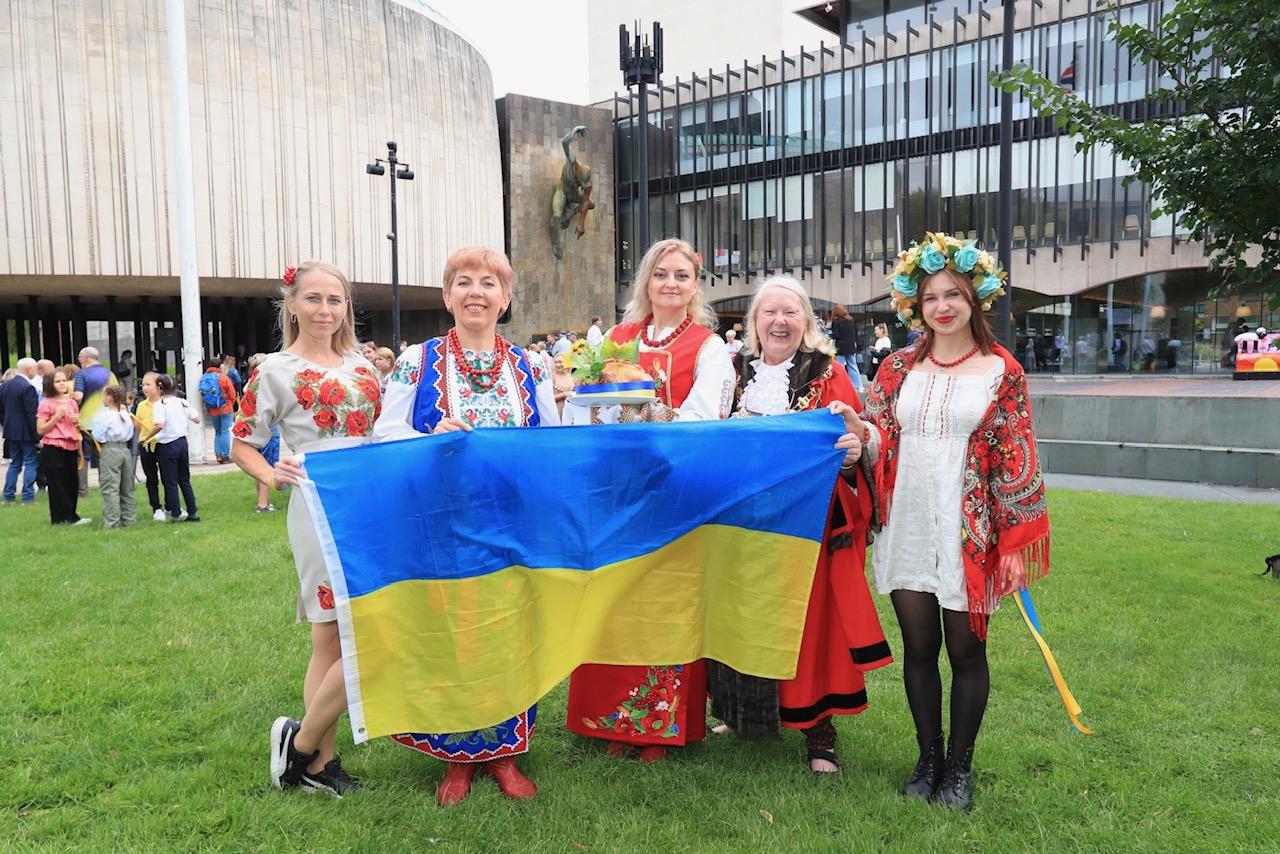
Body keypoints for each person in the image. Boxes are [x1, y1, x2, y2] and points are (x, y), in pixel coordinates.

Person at [853, 233, 1050, 810]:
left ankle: (960, 771)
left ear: (976, 299)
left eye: (954, 295)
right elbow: (878, 439)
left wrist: (1011, 541)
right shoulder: (894, 369)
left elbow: (1018, 455)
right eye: (931, 297)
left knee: (966, 651)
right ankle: (928, 758)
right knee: (919, 647)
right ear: (915, 306)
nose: (943, 306)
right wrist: (856, 437)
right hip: (907, 519)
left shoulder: (1002, 370)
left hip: (971, 528)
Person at [372, 246, 557, 805]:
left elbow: (551, 441)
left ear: (505, 298)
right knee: (450, 634)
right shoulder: (416, 361)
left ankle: (504, 754)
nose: (476, 291)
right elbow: (385, 432)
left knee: (507, 634)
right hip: (439, 521)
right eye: (463, 282)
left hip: (509, 522)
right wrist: (430, 440)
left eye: (489, 283)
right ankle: (455, 757)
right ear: (447, 295)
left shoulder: (531, 366)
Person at [708, 276, 891, 773]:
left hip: (804, 525)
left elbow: (854, 440)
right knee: (742, 617)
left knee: (810, 627)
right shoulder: (734, 372)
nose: (779, 321)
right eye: (769, 313)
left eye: (790, 312)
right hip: (742, 521)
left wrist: (853, 455)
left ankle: (819, 734)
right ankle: (741, 713)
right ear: (754, 323)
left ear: (807, 322)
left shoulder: (828, 374)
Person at [564, 238, 734, 763]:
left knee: (666, 600)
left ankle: (658, 726)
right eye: (661, 274)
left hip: (674, 487)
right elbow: (583, 400)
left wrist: (645, 413)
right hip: (615, 487)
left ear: (694, 285)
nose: (671, 284)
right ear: (646, 281)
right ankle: (608, 718)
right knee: (613, 598)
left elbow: (706, 418)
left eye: (682, 275)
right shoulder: (616, 338)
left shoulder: (708, 346)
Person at [231, 260, 381, 799]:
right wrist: (274, 473)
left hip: (370, 501)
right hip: (318, 505)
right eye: (313, 299)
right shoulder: (274, 369)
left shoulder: (365, 366)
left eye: (334, 300)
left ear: (346, 307)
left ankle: (301, 748)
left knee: (364, 627)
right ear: (291, 305)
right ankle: (319, 759)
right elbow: (242, 442)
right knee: (330, 634)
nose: (324, 310)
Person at [36, 369, 90, 525]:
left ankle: (71, 514)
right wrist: (57, 416)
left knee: (72, 481)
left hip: (71, 445)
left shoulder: (71, 402)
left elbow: (78, 426)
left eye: (64, 380)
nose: (62, 384)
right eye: (57, 381)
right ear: (50, 384)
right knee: (57, 483)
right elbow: (41, 429)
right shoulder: (46, 404)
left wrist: (77, 420)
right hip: (54, 446)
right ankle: (60, 518)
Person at [145, 374, 200, 522]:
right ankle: (193, 512)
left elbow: (160, 424)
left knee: (170, 481)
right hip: (182, 442)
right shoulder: (182, 402)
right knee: (184, 479)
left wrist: (147, 437)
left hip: (167, 444)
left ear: (159, 388)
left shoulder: (160, 405)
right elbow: (197, 418)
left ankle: (175, 513)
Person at [90, 384, 136, 528]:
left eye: (104, 396)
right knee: (126, 487)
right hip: (125, 450)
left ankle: (112, 522)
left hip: (110, 449)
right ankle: (129, 519)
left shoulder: (106, 416)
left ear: (109, 398)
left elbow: (97, 435)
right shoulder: (126, 414)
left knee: (110, 487)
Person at [242, 353, 280, 515]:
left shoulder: (249, 385)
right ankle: (263, 504)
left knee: (257, 467)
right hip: (269, 432)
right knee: (267, 468)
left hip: (253, 432)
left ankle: (262, 500)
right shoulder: (268, 387)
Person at [1, 358, 41, 505]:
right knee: (31, 462)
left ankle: (8, 496)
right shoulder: (27, 388)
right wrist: (38, 435)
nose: (36, 372)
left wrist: (6, 424)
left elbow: (2, 411)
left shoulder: (4, 386)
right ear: (29, 369)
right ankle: (28, 497)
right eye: (35, 369)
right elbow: (32, 414)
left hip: (10, 430)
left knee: (15, 463)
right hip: (26, 432)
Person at [134, 372, 166, 521]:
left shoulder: (166, 403)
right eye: (143, 385)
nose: (145, 388)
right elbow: (138, 425)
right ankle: (156, 507)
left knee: (168, 477)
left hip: (163, 443)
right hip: (146, 445)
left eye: (148, 384)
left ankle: (171, 505)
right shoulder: (141, 405)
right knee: (151, 478)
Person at [199, 358, 238, 464]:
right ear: (219, 366)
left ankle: (218, 455)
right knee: (225, 432)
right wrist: (230, 403)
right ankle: (225, 456)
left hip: (212, 409)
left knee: (218, 432)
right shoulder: (223, 377)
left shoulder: (204, 377)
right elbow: (232, 394)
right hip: (225, 408)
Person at [829, 303, 864, 390]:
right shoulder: (851, 321)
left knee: (841, 367)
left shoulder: (836, 322)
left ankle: (843, 386)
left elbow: (836, 335)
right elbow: (855, 334)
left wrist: (830, 335)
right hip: (851, 347)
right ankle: (858, 385)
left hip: (841, 347)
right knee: (853, 365)